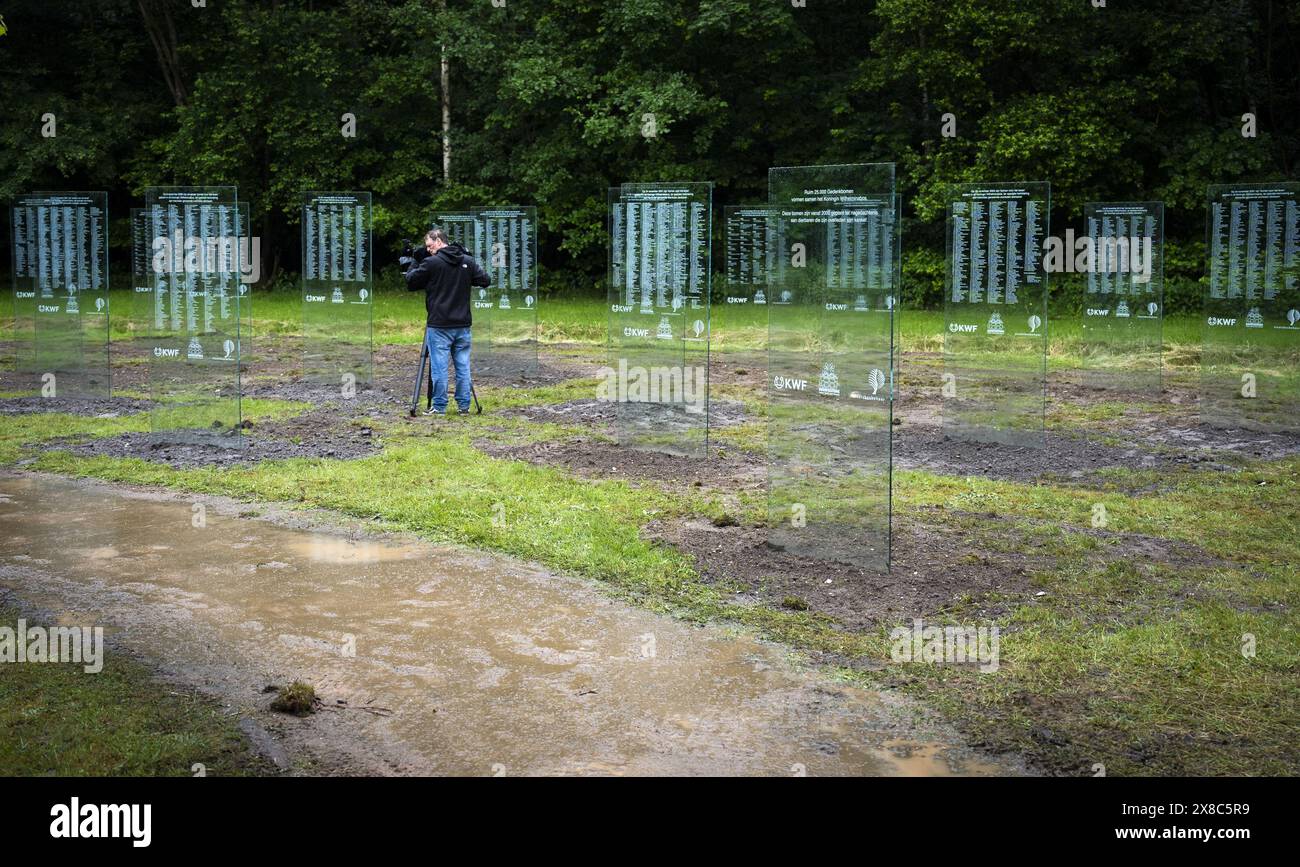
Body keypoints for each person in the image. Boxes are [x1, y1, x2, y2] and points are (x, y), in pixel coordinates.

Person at [404, 227, 491, 415]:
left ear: (438, 240)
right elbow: (485, 280)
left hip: (439, 325)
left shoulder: (431, 263)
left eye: (429, 245)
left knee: (439, 367)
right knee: (463, 366)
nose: (428, 250)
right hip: (463, 324)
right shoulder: (466, 261)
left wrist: (415, 261)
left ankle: (440, 406)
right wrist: (467, 265)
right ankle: (463, 406)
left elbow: (410, 281)